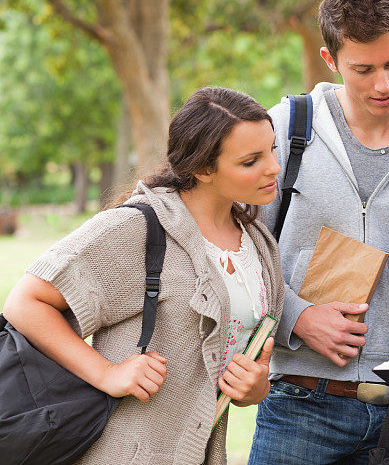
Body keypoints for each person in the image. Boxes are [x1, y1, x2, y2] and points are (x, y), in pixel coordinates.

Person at [2, 87, 285, 464]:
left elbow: (247, 355)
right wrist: (107, 373)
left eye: (272, 150)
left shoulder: (259, 245)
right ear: (202, 169)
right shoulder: (138, 229)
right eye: (251, 161)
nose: (273, 168)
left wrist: (256, 386)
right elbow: (26, 301)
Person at [248, 0, 389, 464]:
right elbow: (238, 251)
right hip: (299, 405)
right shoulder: (284, 130)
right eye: (362, 69)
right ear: (329, 60)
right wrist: (298, 317)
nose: (383, 84)